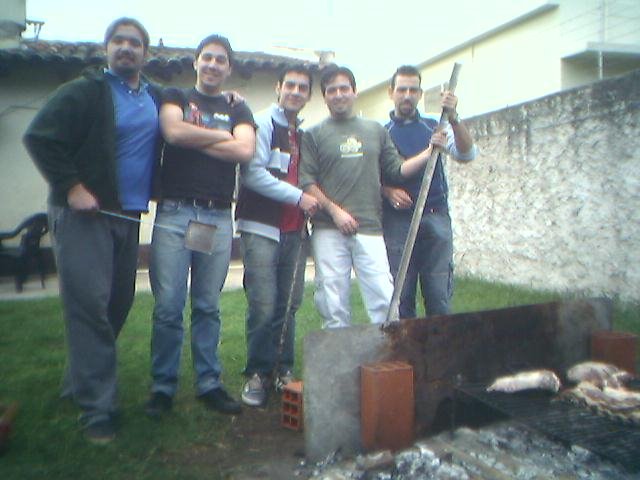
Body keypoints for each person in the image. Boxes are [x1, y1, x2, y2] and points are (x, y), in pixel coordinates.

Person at [23, 18, 162, 444]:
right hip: (85, 216)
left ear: (145, 53)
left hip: (127, 216)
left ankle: (78, 381)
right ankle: (97, 409)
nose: (126, 48)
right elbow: (40, 137)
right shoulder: (85, 91)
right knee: (89, 308)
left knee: (116, 305)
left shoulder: (153, 95)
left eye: (134, 43)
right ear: (106, 49)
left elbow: (188, 108)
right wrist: (73, 187)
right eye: (118, 41)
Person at [145, 34, 256, 418]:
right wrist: (220, 136)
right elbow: (173, 132)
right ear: (196, 62)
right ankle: (163, 387)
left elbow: (244, 151)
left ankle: (209, 383)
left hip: (214, 217)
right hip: (176, 215)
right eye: (207, 58)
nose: (213, 65)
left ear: (228, 68)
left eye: (220, 60)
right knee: (169, 306)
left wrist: (198, 139)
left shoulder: (238, 109)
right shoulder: (175, 96)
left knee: (207, 305)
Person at [299, 65, 444, 329]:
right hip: (327, 229)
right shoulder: (313, 134)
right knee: (333, 304)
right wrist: (335, 212)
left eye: (344, 88)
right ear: (325, 96)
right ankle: (339, 364)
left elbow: (396, 171)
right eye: (332, 90)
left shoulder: (375, 130)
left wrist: (429, 151)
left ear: (354, 92)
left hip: (370, 229)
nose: (339, 94)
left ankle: (388, 360)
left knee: (384, 301)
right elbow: (307, 182)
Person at [235, 66, 319, 407]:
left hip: (294, 230)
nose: (296, 92)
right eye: (291, 86)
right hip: (262, 227)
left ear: (309, 95)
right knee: (263, 304)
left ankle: (282, 369)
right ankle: (257, 372)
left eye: (303, 88)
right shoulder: (263, 123)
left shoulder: (302, 132)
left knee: (289, 304)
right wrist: (299, 198)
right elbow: (252, 175)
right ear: (278, 88)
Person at [382, 65, 477, 318]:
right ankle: (406, 356)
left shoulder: (435, 127)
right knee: (401, 299)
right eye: (402, 89)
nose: (407, 95)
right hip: (398, 223)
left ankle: (439, 354)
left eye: (413, 90)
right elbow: (369, 176)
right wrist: (388, 191)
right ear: (391, 92)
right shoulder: (382, 133)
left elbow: (467, 154)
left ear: (420, 94)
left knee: (439, 297)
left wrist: (454, 117)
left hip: (435, 216)